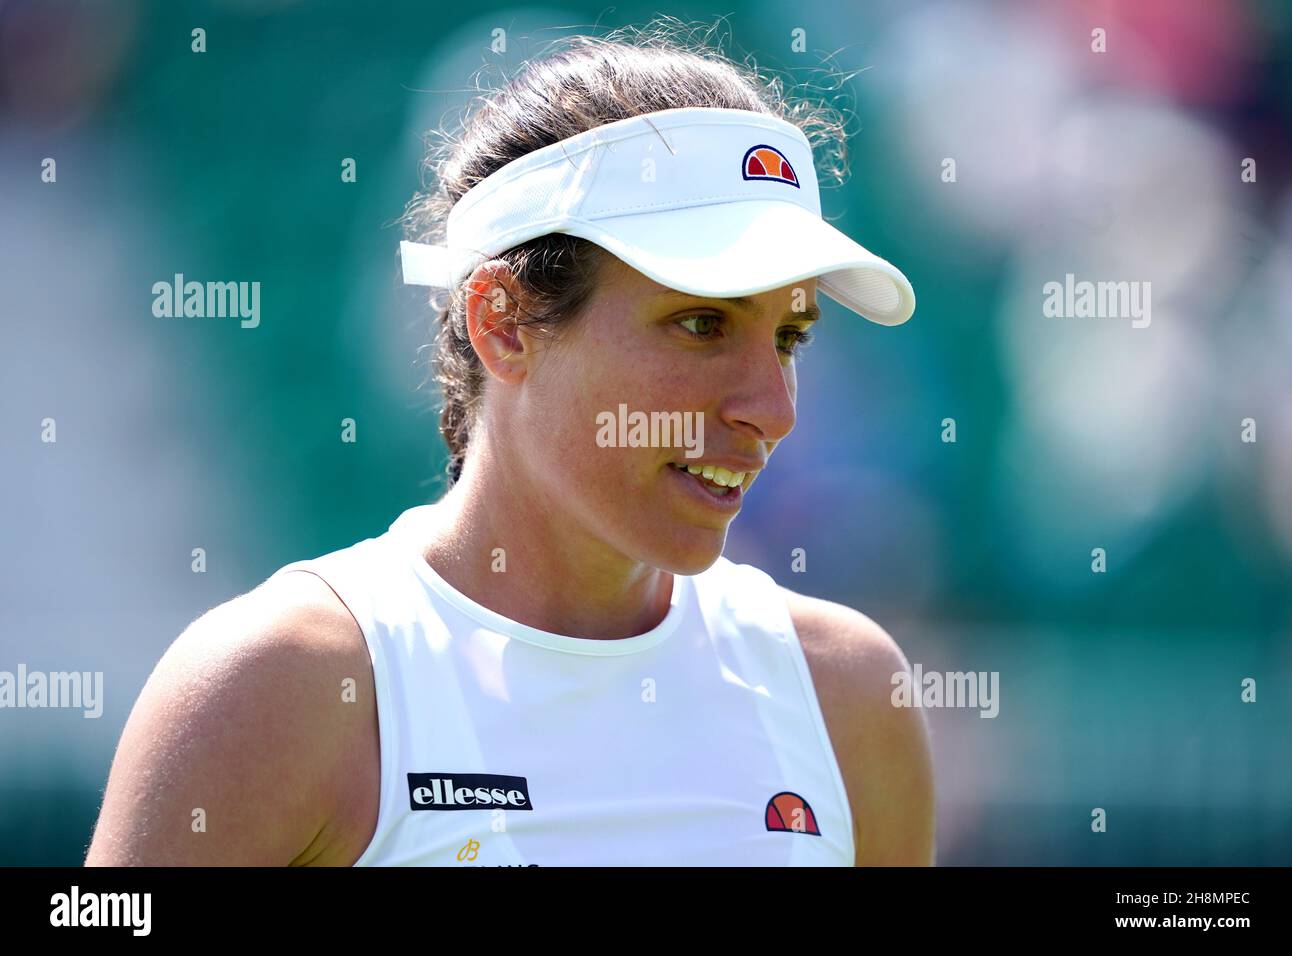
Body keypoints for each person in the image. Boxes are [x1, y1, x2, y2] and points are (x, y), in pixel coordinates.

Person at [85, 25, 934, 867]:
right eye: (702, 323)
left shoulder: (846, 694)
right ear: (504, 324)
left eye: (788, 337)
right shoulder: (282, 686)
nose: (774, 410)